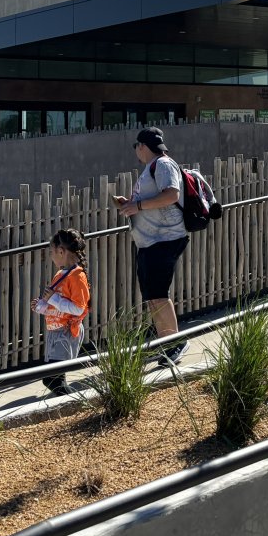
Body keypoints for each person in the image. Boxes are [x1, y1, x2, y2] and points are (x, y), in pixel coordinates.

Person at [113, 126, 191, 365]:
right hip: (151, 241)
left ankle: (176, 342)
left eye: (136, 147)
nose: (136, 151)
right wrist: (131, 204)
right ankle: (165, 343)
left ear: (142, 146)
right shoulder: (152, 168)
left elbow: (171, 195)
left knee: (158, 294)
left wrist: (137, 206)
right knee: (152, 296)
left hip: (164, 239)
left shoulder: (163, 165)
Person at [34, 228, 91, 394]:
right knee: (53, 378)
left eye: (52, 252)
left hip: (66, 332)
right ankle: (70, 402)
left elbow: (78, 307)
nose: (51, 256)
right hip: (55, 331)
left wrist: (53, 299)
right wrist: (42, 306)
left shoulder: (77, 276)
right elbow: (55, 302)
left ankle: (73, 403)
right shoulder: (61, 274)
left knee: (52, 379)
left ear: (61, 251)